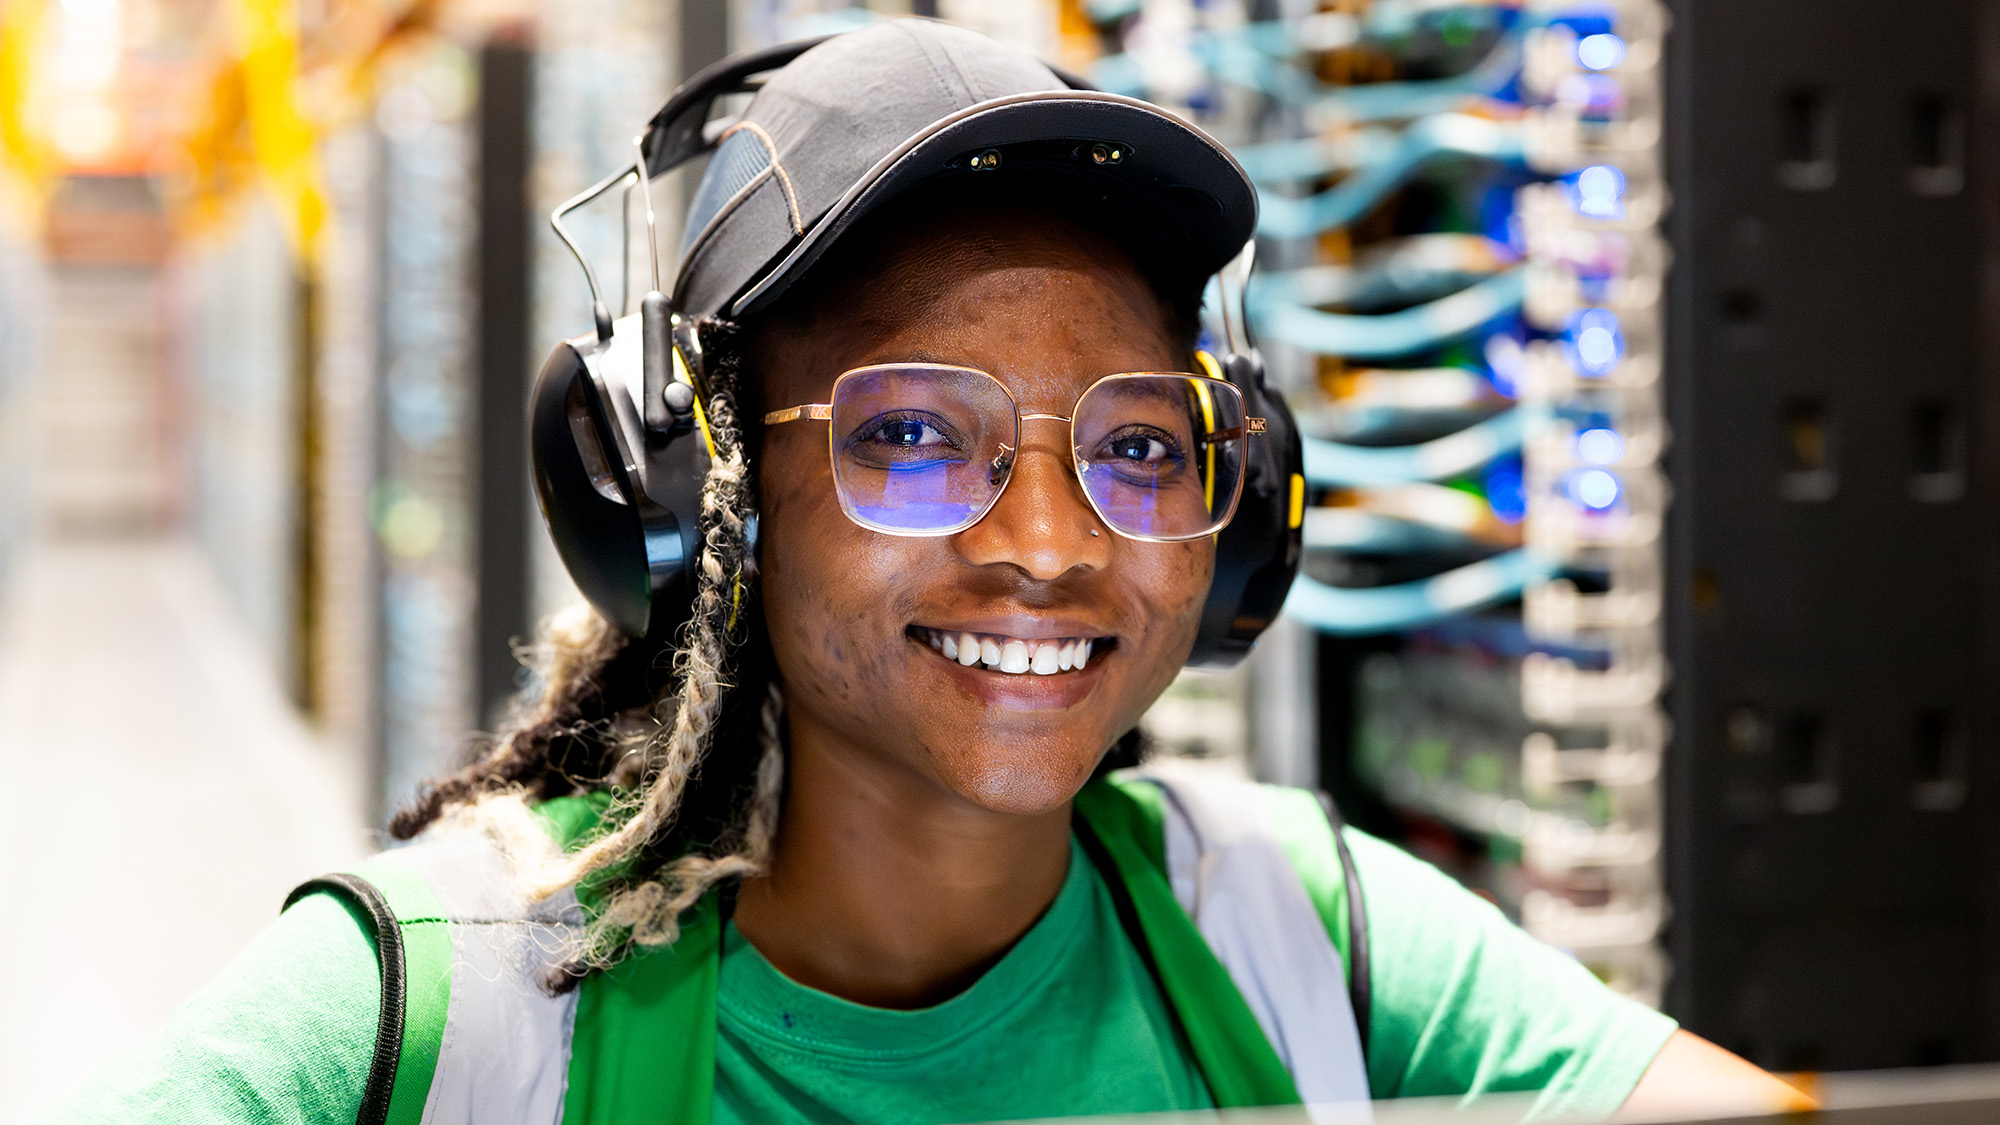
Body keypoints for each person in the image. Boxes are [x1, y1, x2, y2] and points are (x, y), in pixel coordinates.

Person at [47, 20, 1807, 1125]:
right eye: (907, 435)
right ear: (696, 492)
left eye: (1134, 447)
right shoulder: (437, 1005)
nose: (1047, 543)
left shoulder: (1292, 922)